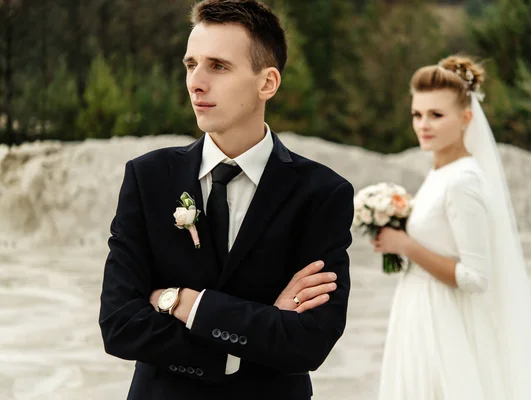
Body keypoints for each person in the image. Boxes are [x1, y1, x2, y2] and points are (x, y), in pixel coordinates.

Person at [98, 1, 353, 399]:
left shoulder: (322, 194)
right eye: (190, 64)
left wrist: (182, 301)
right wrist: (249, 338)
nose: (196, 82)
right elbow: (119, 324)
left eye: (218, 66)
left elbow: (309, 341)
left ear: (267, 83)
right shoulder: (148, 177)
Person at [372, 55, 531, 399]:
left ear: (465, 119)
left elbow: (476, 277)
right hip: (418, 313)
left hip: (445, 322)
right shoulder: (440, 173)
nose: (423, 124)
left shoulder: (463, 182)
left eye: (436, 115)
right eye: (417, 114)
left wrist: (406, 246)